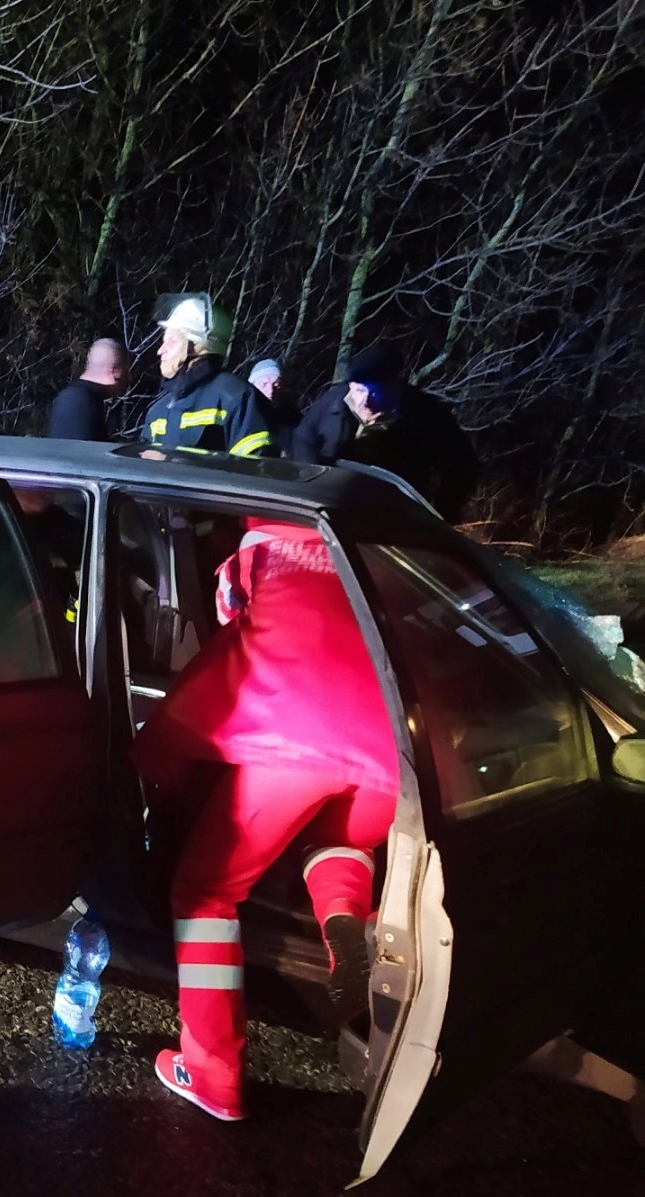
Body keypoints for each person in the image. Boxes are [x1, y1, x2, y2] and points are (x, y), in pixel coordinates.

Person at [131, 519, 399, 1121]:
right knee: (338, 839)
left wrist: (157, 754)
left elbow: (231, 635)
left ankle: (212, 1075)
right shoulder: (373, 549)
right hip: (392, 748)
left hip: (298, 741)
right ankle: (344, 925)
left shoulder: (257, 556)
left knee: (205, 893)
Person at [288, 342, 478, 523]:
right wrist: (310, 492)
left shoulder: (424, 413)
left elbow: (461, 463)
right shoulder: (334, 402)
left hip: (395, 514)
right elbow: (303, 438)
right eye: (359, 390)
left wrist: (442, 514)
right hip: (335, 509)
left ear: (394, 388)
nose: (364, 401)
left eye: (375, 393)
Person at [140, 294, 271, 458]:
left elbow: (254, 471)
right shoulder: (159, 409)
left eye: (172, 341)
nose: (161, 350)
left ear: (198, 346)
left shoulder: (235, 397)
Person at [43, 338, 130, 440]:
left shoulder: (73, 397)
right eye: (125, 369)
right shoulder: (82, 402)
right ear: (115, 372)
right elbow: (82, 454)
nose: (127, 377)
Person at [246, 358, 300, 457]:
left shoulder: (293, 418)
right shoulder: (243, 412)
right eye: (264, 384)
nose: (271, 390)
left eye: (276, 385)